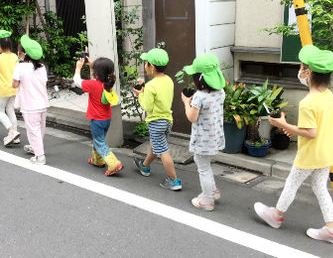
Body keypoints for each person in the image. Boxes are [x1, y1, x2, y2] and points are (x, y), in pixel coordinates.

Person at [254, 44, 333, 245]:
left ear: (308, 72)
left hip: (310, 154)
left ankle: (276, 216)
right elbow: (314, 128)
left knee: (292, 183)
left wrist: (282, 124)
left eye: (301, 67)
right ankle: (332, 230)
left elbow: (310, 133)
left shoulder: (308, 102)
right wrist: (291, 127)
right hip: (327, 153)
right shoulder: (327, 95)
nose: (300, 71)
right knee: (320, 187)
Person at [181, 53, 225, 210]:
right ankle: (213, 191)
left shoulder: (199, 97)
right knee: (206, 164)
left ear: (199, 79)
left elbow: (192, 117)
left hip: (203, 139)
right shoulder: (221, 92)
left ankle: (207, 200)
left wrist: (187, 103)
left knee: (203, 167)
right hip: (215, 135)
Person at [133, 48, 181, 191]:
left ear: (152, 66)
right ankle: (145, 166)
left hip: (156, 121)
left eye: (145, 63)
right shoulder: (168, 80)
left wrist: (140, 94)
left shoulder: (151, 85)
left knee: (163, 151)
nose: (145, 65)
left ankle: (174, 180)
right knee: (156, 144)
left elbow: (147, 106)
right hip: (167, 120)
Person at [73, 56, 123, 176]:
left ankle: (114, 163)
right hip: (106, 118)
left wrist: (78, 68)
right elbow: (101, 73)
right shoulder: (108, 83)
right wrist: (92, 65)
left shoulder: (93, 85)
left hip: (97, 120)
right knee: (99, 139)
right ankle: (98, 161)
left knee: (99, 142)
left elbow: (77, 81)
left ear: (95, 74)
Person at [12, 35, 49, 164]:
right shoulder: (42, 67)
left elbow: (15, 85)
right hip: (42, 103)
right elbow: (44, 84)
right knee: (40, 129)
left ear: (23, 54)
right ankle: (35, 148)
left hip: (29, 105)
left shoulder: (20, 67)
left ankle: (40, 157)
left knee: (33, 131)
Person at [0, 30, 19, 146]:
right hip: (14, 88)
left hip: (2, 89)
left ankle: (11, 132)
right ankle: (16, 136)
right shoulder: (15, 56)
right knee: (10, 110)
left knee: (0, 111)